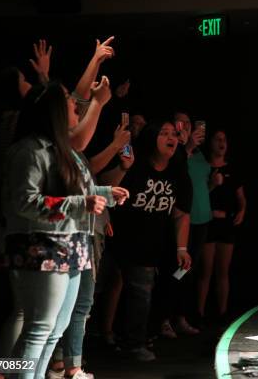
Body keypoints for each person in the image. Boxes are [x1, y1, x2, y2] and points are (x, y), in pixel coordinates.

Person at [1, 81, 129, 379]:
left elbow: (73, 189)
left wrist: (106, 194)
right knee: (39, 327)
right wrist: (80, 203)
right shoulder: (30, 150)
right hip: (41, 245)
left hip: (71, 244)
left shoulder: (62, 149)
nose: (75, 107)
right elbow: (25, 201)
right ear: (53, 110)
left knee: (55, 329)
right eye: (70, 103)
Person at [109, 119, 192, 361]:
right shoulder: (135, 165)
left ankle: (135, 341)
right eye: (164, 133)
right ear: (151, 137)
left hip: (154, 245)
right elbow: (104, 184)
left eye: (174, 134)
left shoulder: (178, 172)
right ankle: (119, 339)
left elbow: (181, 214)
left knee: (145, 292)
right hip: (121, 239)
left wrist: (182, 247)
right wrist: (123, 167)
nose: (171, 138)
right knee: (114, 290)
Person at [197, 129, 246, 323]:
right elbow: (198, 196)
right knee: (205, 271)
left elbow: (241, 197)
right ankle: (199, 313)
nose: (221, 142)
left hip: (226, 225)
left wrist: (242, 211)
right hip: (207, 223)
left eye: (224, 139)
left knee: (222, 271)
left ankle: (222, 313)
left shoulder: (232, 169)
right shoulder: (202, 167)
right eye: (217, 139)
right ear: (210, 143)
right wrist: (212, 184)